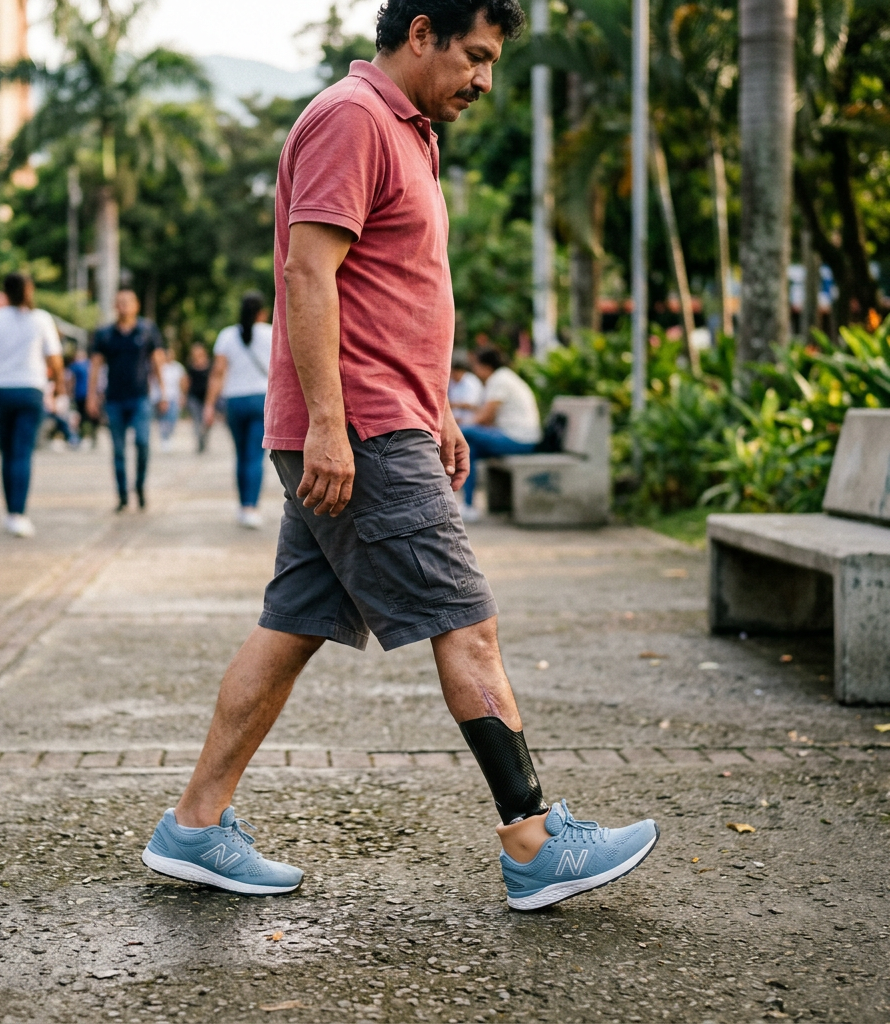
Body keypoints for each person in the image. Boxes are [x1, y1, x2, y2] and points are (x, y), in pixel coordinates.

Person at [142, 0, 657, 912]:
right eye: (476, 56)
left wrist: (441, 409)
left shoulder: (406, 131)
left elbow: (397, 294)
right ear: (422, 32)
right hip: (363, 433)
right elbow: (310, 274)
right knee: (469, 623)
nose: (485, 81)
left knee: (292, 626)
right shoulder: (353, 119)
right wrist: (334, 426)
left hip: (387, 420)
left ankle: (193, 827)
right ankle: (535, 842)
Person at [0, 273, 66, 537]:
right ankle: (18, 512)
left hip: (0, 391)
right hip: (31, 390)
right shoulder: (41, 320)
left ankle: (9, 511)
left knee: (7, 452)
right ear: (29, 290)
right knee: (23, 452)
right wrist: (59, 387)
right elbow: (55, 360)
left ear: (4, 292)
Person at [87, 291, 165, 512]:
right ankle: (122, 495)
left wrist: (164, 393)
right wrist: (92, 397)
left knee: (142, 443)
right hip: (114, 399)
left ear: (136, 305)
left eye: (127, 302)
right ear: (115, 306)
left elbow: (157, 361)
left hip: (140, 397)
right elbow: (95, 366)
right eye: (119, 303)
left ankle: (139, 486)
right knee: (118, 450)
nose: (123, 306)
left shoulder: (147, 330)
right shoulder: (105, 334)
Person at [204, 291, 272, 528]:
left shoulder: (227, 335)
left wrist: (209, 405)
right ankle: (250, 507)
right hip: (262, 401)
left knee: (241, 455)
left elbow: (217, 373)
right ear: (262, 312)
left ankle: (243, 504)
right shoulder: (271, 333)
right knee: (255, 456)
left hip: (235, 402)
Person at [459, 346, 542, 519]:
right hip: (513, 437)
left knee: (463, 432)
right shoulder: (502, 378)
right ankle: (468, 507)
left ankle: (466, 504)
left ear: (486, 366)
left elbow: (485, 418)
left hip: (520, 440)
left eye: (476, 365)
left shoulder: (499, 379)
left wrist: (459, 425)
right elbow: (485, 416)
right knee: (470, 451)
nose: (474, 370)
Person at [150, 348, 187, 453]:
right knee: (163, 420)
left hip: (174, 396)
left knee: (172, 419)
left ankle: (167, 435)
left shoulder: (177, 367)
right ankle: (164, 438)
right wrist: (162, 397)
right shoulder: (159, 367)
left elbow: (183, 381)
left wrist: (182, 395)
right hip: (160, 397)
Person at [185, 343, 211, 453]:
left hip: (207, 397)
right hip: (194, 397)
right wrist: (184, 395)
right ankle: (199, 441)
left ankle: (204, 439)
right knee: (196, 421)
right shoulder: (190, 366)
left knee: (206, 421)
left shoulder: (210, 365)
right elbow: (187, 381)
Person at [69, 349, 98, 447]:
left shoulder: (77, 366)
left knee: (82, 416)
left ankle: (85, 436)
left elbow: (70, 379)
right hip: (88, 394)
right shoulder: (90, 364)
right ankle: (89, 436)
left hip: (81, 394)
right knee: (88, 417)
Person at [447, 348, 483, 425]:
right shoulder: (451, 382)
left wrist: (454, 404)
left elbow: (473, 405)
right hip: (454, 421)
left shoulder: (472, 382)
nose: (453, 374)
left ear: (461, 370)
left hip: (471, 421)